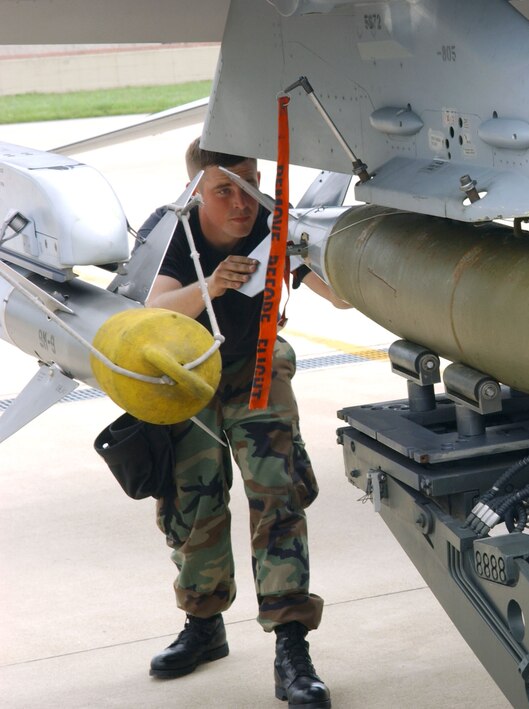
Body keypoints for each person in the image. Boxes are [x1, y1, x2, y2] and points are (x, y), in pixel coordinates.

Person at [140, 138, 351, 709]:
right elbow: (151, 310)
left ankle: (291, 647)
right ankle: (204, 624)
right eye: (224, 190)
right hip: (189, 373)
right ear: (195, 190)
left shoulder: (272, 226)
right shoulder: (172, 230)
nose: (241, 203)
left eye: (251, 185)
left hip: (258, 367)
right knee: (194, 498)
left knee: (277, 491)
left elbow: (340, 298)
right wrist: (212, 286)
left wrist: (327, 250)